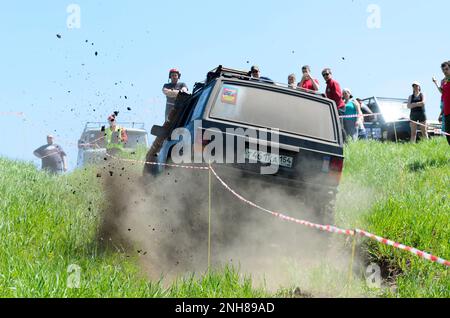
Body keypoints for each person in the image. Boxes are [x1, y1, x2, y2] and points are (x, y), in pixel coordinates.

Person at [323, 68, 346, 140]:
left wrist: (334, 106)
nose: (325, 76)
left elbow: (338, 96)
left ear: (331, 74)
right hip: (334, 108)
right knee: (335, 126)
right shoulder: (328, 85)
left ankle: (345, 142)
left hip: (339, 107)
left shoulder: (334, 83)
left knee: (339, 126)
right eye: (323, 75)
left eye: (327, 74)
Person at [437, 61, 450, 145]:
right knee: (448, 135)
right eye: (443, 70)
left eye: (447, 69)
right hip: (447, 112)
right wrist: (441, 113)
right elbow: (444, 98)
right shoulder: (444, 82)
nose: (445, 72)